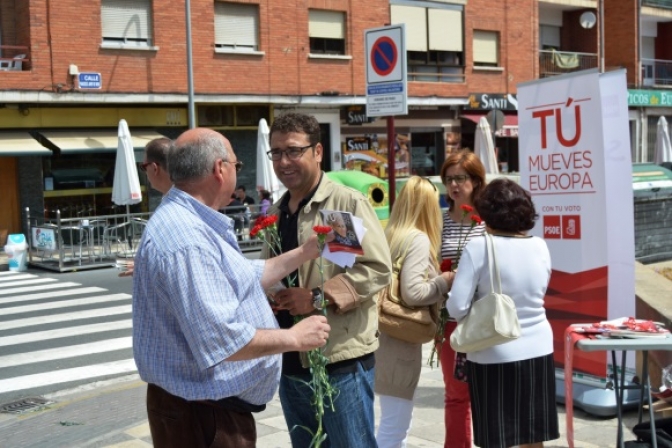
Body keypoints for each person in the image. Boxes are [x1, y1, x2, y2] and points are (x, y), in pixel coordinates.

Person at [132, 127, 332, 448]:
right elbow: (222, 340)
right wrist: (295, 338)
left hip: (204, 410)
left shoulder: (192, 222)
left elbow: (245, 274)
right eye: (236, 166)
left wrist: (307, 251)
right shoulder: (188, 238)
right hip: (202, 416)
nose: (236, 173)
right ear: (219, 169)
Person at [263, 112, 392, 448]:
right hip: (291, 358)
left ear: (317, 152)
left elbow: (374, 269)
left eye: (293, 151)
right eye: (275, 153)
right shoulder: (277, 213)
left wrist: (317, 298)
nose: (283, 161)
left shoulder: (335, 207)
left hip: (338, 360)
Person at [447, 178, 559, 448]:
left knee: (496, 437)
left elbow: (456, 307)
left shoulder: (479, 247)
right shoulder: (540, 246)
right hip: (538, 347)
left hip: (492, 350)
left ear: (486, 213)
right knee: (533, 436)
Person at [375, 176, 454, 448]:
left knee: (390, 419)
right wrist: (445, 281)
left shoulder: (391, 233)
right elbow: (414, 293)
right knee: (396, 426)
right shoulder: (418, 239)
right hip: (400, 340)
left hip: (381, 336)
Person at [439, 149, 487, 448]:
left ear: (476, 181)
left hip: (484, 319)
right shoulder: (439, 220)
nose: (454, 185)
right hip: (450, 321)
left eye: (461, 178)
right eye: (449, 179)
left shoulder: (489, 222)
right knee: (456, 394)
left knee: (488, 392)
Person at [118, 137, 172, 278]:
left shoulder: (172, 211)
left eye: (143, 167)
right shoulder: (175, 204)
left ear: (154, 168)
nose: (144, 172)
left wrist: (144, 269)